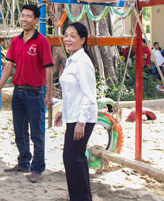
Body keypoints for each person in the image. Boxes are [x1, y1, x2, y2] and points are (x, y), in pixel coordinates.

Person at [0, 4, 53, 183]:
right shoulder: (16, 41)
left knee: (37, 132)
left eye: (29, 16)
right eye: (23, 16)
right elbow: (9, 66)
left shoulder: (42, 41)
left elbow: (49, 69)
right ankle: (23, 162)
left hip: (35, 93)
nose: (25, 19)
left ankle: (37, 168)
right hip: (18, 92)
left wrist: (48, 94)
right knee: (19, 130)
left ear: (36, 20)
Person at [54, 22, 97, 201]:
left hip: (82, 118)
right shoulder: (72, 60)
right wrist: (62, 111)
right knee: (75, 157)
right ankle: (81, 196)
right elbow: (71, 92)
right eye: (66, 35)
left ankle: (81, 198)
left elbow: (89, 94)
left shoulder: (83, 62)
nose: (68, 39)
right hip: (73, 116)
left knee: (72, 157)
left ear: (82, 40)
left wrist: (81, 122)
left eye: (73, 36)